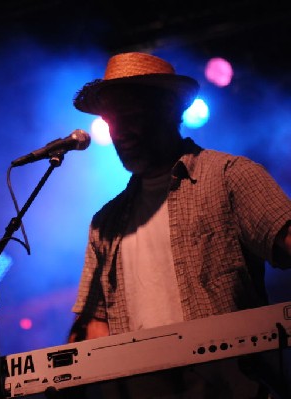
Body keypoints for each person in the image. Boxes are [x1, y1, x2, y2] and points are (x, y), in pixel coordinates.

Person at [67, 52, 291, 398]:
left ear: (169, 109)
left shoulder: (229, 177)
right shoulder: (106, 223)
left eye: (131, 113)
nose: (120, 131)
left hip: (229, 387)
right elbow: (97, 326)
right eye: (112, 119)